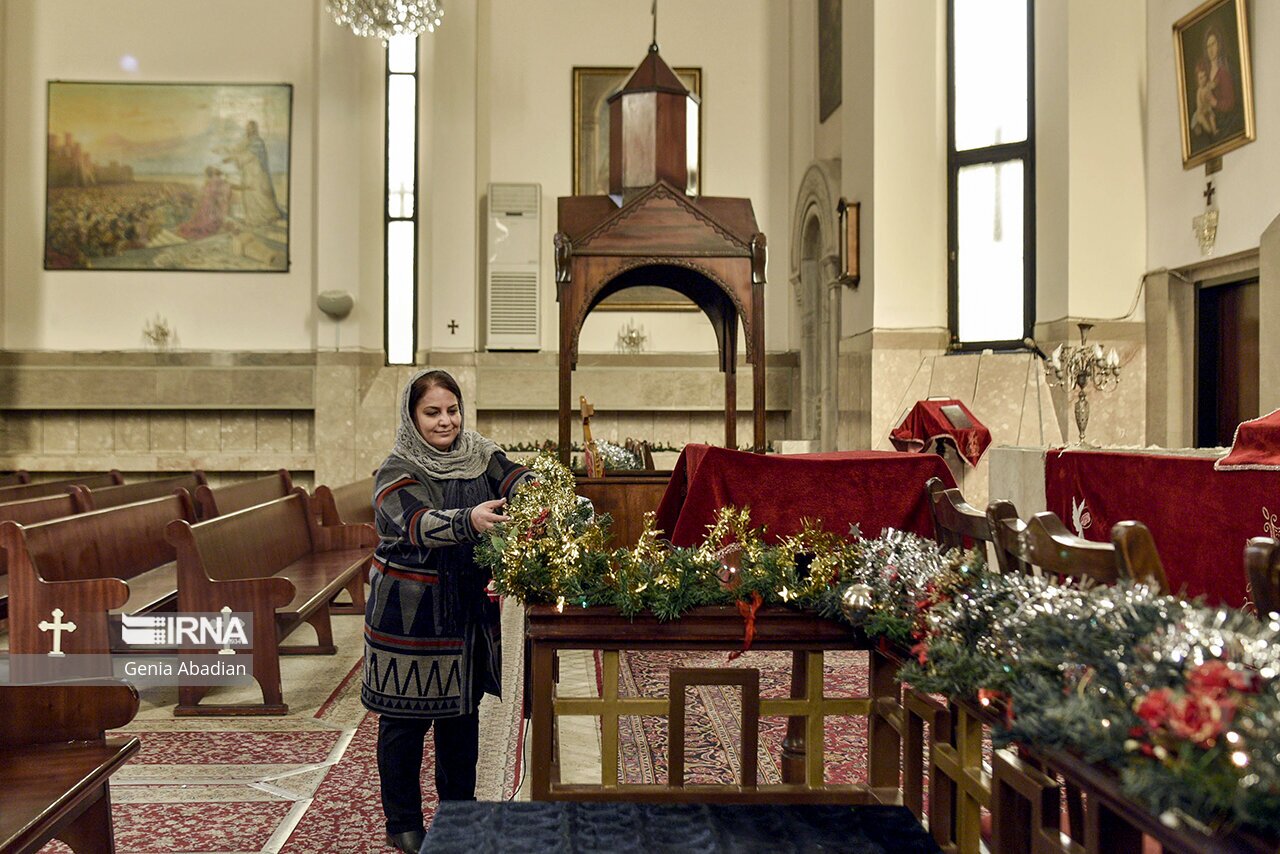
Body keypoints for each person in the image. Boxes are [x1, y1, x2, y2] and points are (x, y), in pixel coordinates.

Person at [362, 368, 533, 853]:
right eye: (432, 412)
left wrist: (536, 493)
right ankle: (403, 823)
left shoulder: (480, 455)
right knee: (404, 724)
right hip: (409, 618)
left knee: (462, 717)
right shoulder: (395, 470)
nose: (445, 421)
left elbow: (514, 475)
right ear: (412, 417)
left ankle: (459, 813)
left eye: (452, 410)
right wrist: (469, 519)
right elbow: (415, 522)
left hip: (467, 613)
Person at [218, 119, 284, 227]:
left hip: (257, 174)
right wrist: (226, 152)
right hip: (248, 173)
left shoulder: (258, 142)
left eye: (250, 128)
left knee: (258, 194)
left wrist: (232, 158)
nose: (248, 130)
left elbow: (248, 155)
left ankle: (267, 217)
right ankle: (253, 220)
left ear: (254, 129)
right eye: (247, 128)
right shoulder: (247, 141)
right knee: (249, 195)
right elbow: (236, 149)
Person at [1193, 26, 1235, 137]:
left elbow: (1230, 103)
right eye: (1208, 46)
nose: (1211, 49)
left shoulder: (1223, 73)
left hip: (1221, 120)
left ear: (1219, 45)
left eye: (1213, 44)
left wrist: (1214, 102)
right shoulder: (1205, 71)